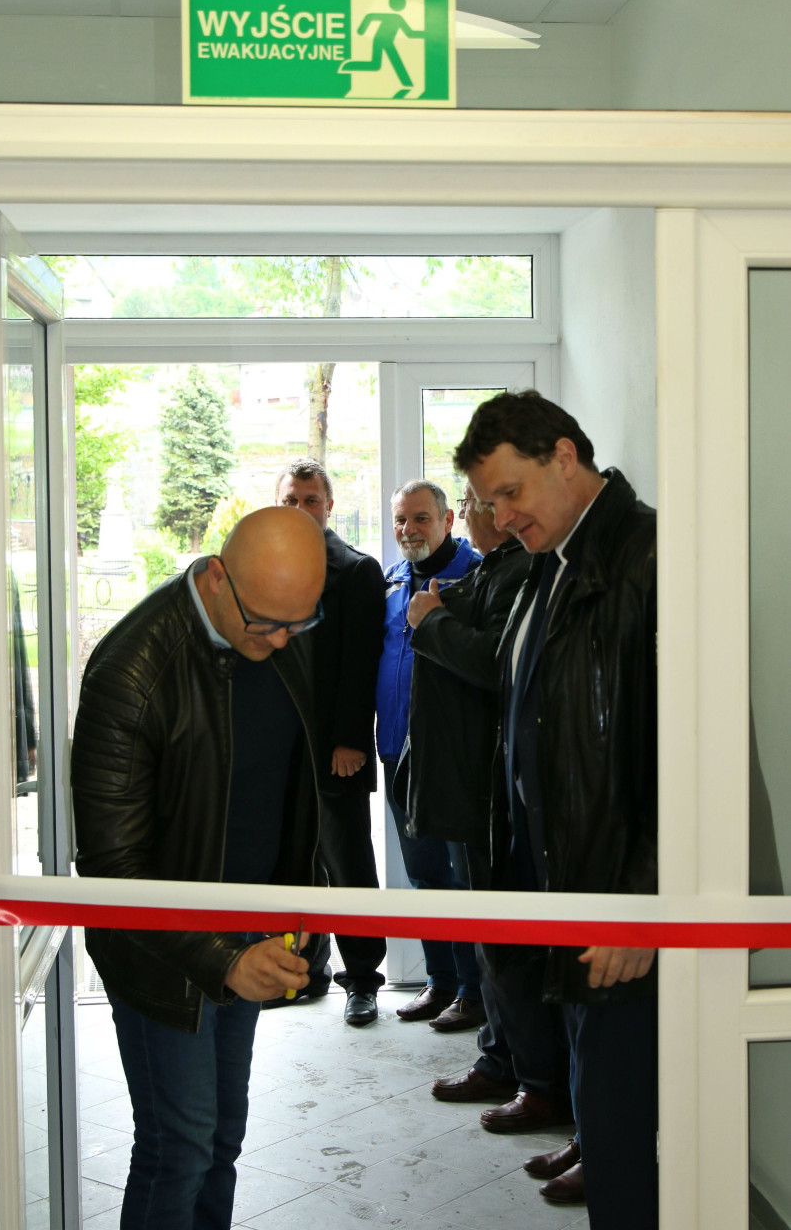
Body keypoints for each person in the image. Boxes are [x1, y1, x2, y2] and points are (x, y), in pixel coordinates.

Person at [70, 506, 326, 1230]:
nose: (282, 641)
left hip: (254, 935)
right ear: (217, 578)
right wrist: (223, 959)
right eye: (266, 623)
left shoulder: (278, 628)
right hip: (165, 951)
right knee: (177, 1149)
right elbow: (113, 868)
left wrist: (301, 906)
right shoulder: (132, 669)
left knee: (220, 1141)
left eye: (299, 623)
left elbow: (288, 790)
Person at [455, 390, 658, 1229]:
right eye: (487, 501)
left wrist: (644, 904)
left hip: (621, 914)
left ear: (564, 457)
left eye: (510, 492)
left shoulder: (645, 557)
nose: (499, 517)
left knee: (625, 1136)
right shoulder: (552, 560)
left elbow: (692, 749)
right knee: (601, 1119)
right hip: (566, 895)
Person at [395, 485, 573, 1132]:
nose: (472, 513)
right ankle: (501, 1060)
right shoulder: (496, 568)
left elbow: (498, 664)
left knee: (507, 943)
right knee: (490, 938)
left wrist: (430, 620)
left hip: (492, 787)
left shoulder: (522, 570)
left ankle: (538, 1082)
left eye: (472, 500)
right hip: (470, 781)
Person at [273, 459, 386, 1026]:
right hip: (283, 750)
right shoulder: (269, 568)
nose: (300, 509)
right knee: (293, 863)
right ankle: (306, 972)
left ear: (329, 506)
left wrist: (349, 741)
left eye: (310, 500)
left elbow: (361, 665)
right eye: (290, 500)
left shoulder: (357, 571)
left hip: (337, 751)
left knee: (348, 866)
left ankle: (362, 980)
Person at [376, 479, 484, 1030]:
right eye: (401, 519)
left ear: (447, 520)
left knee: (462, 881)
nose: (408, 529)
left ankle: (473, 990)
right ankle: (439, 982)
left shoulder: (476, 577)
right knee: (423, 874)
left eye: (420, 518)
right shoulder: (391, 580)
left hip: (449, 757)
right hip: (397, 752)